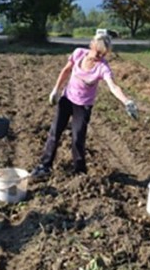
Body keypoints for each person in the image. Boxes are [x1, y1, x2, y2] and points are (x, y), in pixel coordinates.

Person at [31, 34, 138, 178]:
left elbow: (113, 86)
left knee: (77, 138)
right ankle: (45, 166)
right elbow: (66, 70)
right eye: (98, 52)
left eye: (103, 54)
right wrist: (56, 90)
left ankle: (80, 171)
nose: (99, 56)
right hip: (67, 99)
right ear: (92, 46)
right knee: (54, 132)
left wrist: (126, 101)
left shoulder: (102, 67)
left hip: (83, 106)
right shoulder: (78, 53)